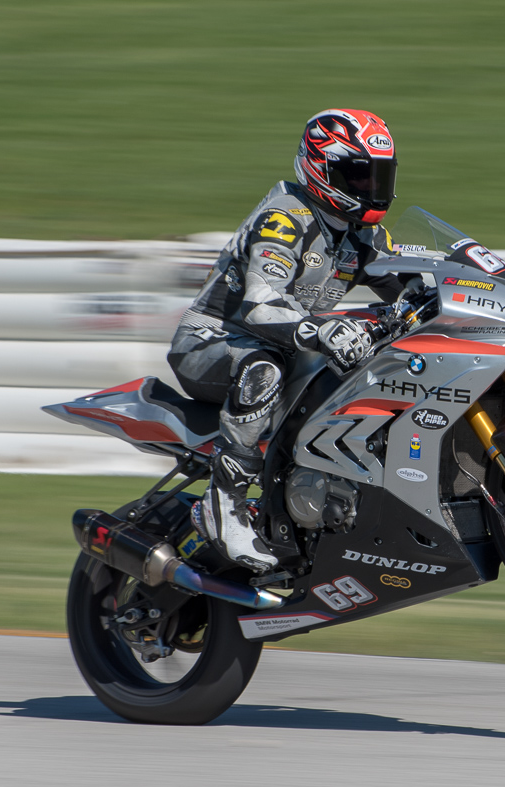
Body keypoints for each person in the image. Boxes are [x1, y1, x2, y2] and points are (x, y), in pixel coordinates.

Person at [167, 108, 407, 571]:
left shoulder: (363, 234)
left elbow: (405, 282)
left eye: (377, 176)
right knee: (263, 369)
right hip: (212, 339)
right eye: (356, 176)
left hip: (289, 346)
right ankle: (224, 504)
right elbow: (259, 302)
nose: (369, 188)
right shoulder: (286, 217)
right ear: (321, 169)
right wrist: (321, 328)